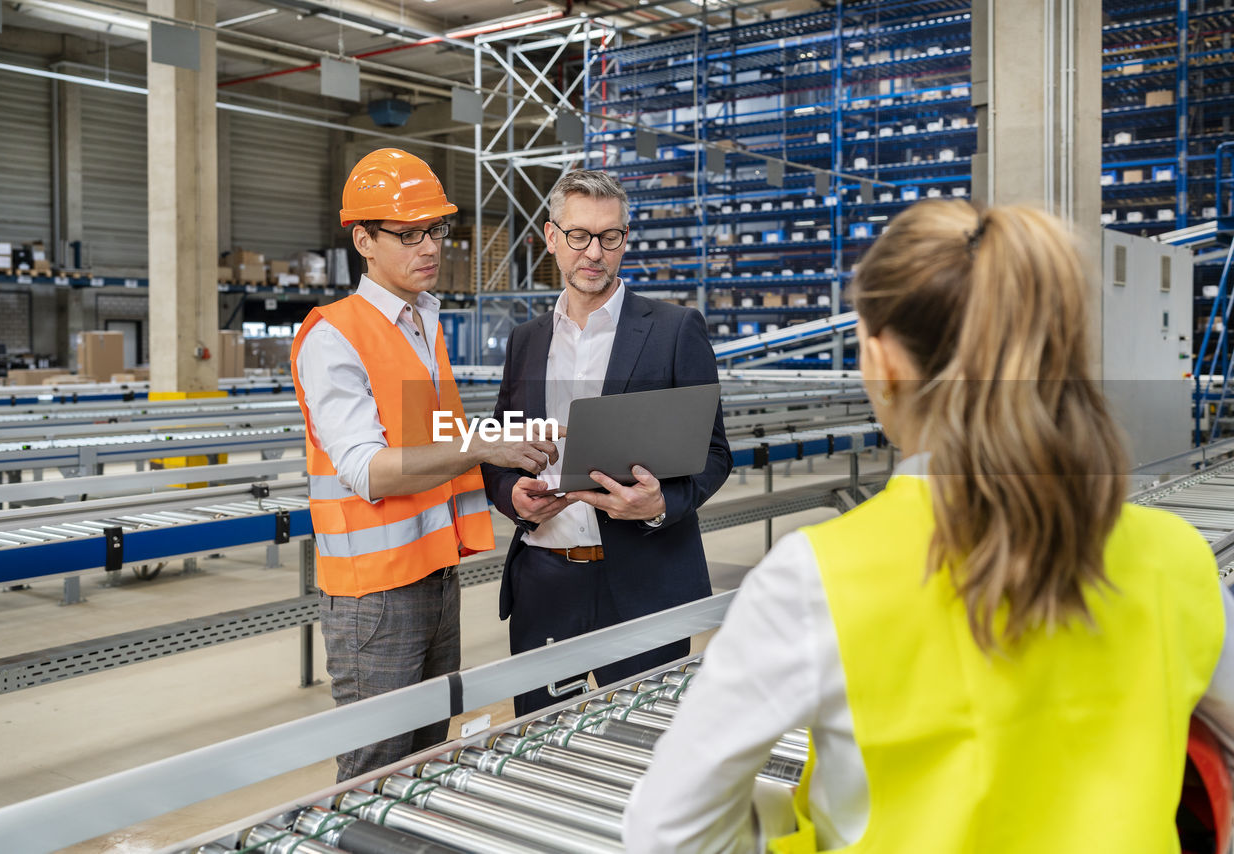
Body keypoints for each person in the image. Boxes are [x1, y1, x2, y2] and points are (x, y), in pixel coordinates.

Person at [623, 199, 1234, 852]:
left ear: (882, 361)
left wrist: (779, 830)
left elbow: (667, 834)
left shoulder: (818, 579)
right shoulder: (1177, 559)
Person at [290, 148, 559, 782]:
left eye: (434, 230)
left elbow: (428, 435)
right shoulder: (334, 335)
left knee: (425, 761)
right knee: (374, 769)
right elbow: (367, 469)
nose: (429, 246)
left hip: (433, 574)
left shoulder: (421, 322)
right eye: (407, 234)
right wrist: (482, 447)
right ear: (363, 240)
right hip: (374, 593)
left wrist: (512, 434)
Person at [480, 169, 732, 716]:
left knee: (647, 745)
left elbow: (715, 452)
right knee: (542, 749)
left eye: (609, 237)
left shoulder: (674, 329)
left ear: (624, 240)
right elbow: (499, 448)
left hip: (645, 582)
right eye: (578, 236)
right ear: (552, 238)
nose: (593, 252)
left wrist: (663, 503)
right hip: (546, 582)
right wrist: (511, 496)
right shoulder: (527, 341)